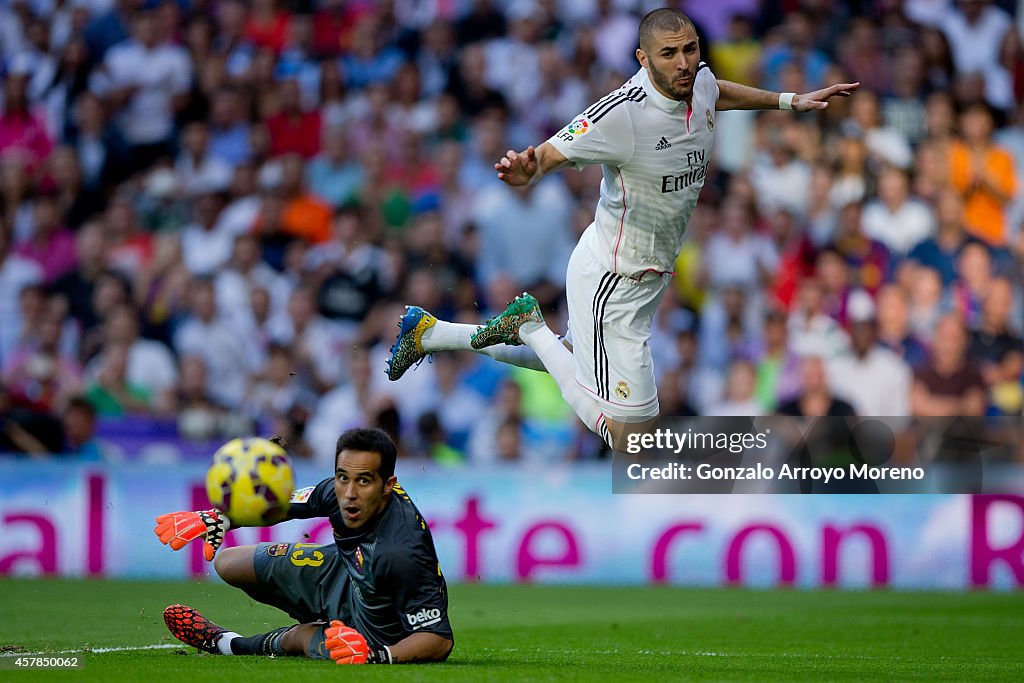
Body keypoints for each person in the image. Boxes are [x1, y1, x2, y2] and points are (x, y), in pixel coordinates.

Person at [385, 8, 857, 451]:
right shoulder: (622, 113)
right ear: (643, 58)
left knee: (568, 357)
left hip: (646, 274)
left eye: (690, 49)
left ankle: (431, 334)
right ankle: (528, 326)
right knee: (634, 443)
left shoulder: (701, 82)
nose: (684, 63)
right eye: (669, 54)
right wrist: (528, 170)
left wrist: (788, 101)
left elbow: (719, 91)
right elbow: (551, 152)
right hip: (612, 280)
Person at [154, 429, 454, 665]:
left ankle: (227, 644)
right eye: (342, 477)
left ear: (388, 485)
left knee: (299, 638)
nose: (349, 493)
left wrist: (376, 656)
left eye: (363, 481)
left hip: (376, 631)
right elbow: (281, 504)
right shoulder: (341, 490)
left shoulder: (403, 553)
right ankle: (316, 615)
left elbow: (438, 639)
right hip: (341, 571)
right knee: (228, 563)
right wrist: (220, 518)